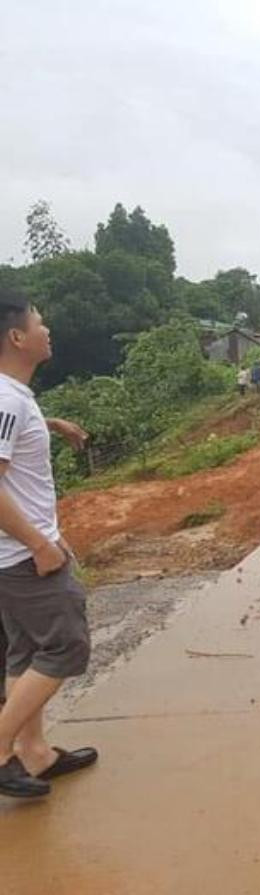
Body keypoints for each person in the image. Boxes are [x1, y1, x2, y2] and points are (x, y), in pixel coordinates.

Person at [0, 288, 97, 798]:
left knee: (26, 650)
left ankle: (32, 754)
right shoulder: (5, 399)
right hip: (21, 555)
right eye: (40, 322)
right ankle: (1, 750)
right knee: (65, 642)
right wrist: (40, 544)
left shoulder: (16, 398)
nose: (48, 329)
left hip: (14, 555)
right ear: (17, 337)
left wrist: (50, 423)